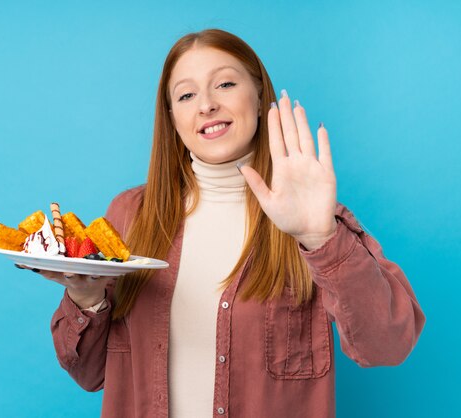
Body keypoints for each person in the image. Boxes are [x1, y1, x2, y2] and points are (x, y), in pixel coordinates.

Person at [28, 28, 425, 418]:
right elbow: (90, 374)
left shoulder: (314, 220)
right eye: (186, 95)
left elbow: (387, 345)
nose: (206, 105)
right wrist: (86, 299)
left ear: (257, 95)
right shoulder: (131, 215)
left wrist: (321, 237)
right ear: (173, 118)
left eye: (225, 85)